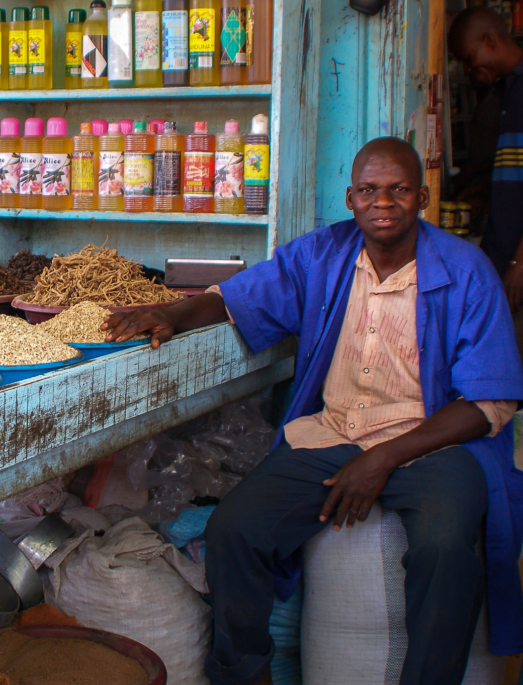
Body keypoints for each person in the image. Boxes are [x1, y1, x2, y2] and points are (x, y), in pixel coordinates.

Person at [104, 137, 523, 685]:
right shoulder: (323, 254)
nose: (383, 202)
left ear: (422, 197)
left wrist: (382, 459)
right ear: (350, 199)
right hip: (334, 433)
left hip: (429, 443)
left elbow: (489, 402)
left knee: (445, 549)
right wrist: (172, 313)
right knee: (234, 532)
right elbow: (238, 297)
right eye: (369, 190)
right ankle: (245, 675)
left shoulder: (466, 271)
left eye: (398, 190)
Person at [448, 8, 523, 326]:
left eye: (469, 58)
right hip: (502, 258)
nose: (468, 69)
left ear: (490, 40)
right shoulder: (506, 92)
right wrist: (487, 190)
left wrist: (519, 264)